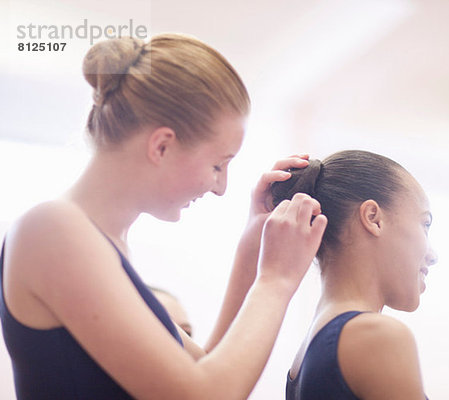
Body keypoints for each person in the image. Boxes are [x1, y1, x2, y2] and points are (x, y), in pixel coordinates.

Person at [0, 34, 327, 399]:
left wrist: (253, 244)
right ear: (162, 145)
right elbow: (204, 394)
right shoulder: (52, 230)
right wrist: (276, 280)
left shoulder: (99, 245)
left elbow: (204, 366)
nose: (221, 188)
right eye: (218, 164)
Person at [271, 150, 437, 400]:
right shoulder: (375, 336)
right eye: (425, 224)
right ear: (373, 218)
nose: (433, 255)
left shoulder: (310, 349)